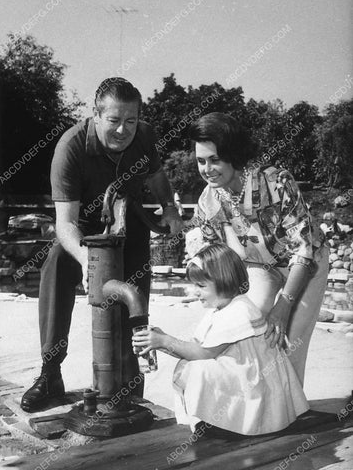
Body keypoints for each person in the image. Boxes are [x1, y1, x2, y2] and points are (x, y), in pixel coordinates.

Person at [20, 77, 184, 412]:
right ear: (96, 116)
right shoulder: (71, 147)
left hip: (128, 222)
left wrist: (169, 209)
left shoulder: (146, 136)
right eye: (114, 121)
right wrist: (87, 262)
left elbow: (155, 176)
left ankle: (127, 371)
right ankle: (50, 374)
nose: (124, 130)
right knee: (55, 268)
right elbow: (64, 223)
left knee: (134, 289)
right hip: (82, 228)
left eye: (131, 121)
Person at [185, 112, 329, 385]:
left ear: (233, 155)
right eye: (201, 161)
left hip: (305, 266)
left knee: (287, 339)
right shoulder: (208, 199)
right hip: (260, 267)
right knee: (243, 327)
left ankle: (291, 412)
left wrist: (284, 306)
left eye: (215, 159)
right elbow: (216, 256)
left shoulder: (276, 182)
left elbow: (304, 250)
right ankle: (254, 406)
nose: (207, 169)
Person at [132, 244, 309, 435]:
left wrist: (164, 341)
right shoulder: (222, 307)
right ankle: (218, 420)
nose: (195, 292)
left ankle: (232, 422)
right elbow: (197, 346)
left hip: (254, 383)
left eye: (201, 286)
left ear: (224, 281)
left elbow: (203, 353)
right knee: (189, 365)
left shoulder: (239, 310)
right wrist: (158, 341)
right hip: (241, 373)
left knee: (198, 370)